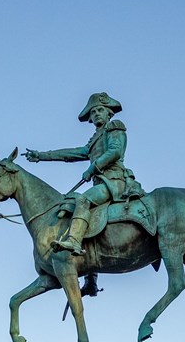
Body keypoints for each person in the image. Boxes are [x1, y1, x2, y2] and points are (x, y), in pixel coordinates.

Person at [25, 92, 144, 255]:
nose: (96, 114)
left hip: (114, 181)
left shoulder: (114, 126)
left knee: (82, 200)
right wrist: (41, 156)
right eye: (93, 112)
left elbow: (115, 151)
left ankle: (74, 241)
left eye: (100, 110)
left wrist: (92, 168)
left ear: (108, 112)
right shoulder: (95, 139)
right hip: (102, 183)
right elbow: (73, 153)